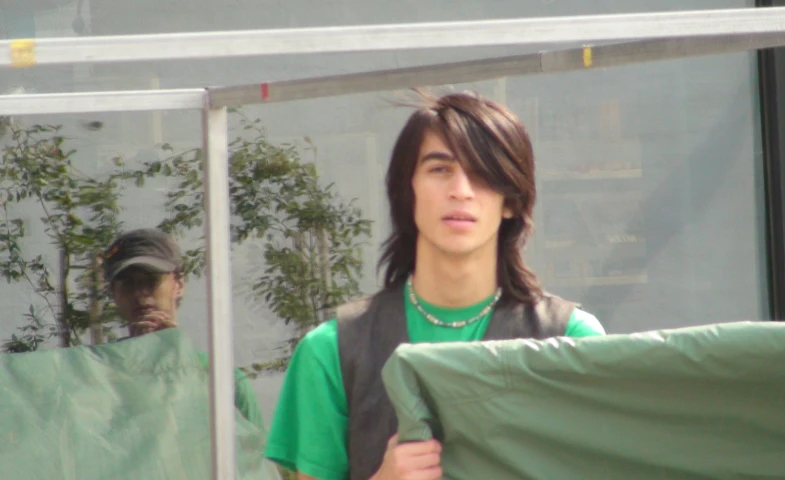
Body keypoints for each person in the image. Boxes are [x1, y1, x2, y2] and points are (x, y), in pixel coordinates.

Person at [265, 91, 606, 480]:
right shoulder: (332, 351)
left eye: (481, 173)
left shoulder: (572, 341)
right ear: (406, 191)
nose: (460, 190)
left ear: (511, 200)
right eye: (440, 169)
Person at [102, 227, 265, 430]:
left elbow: (254, 458)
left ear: (179, 284)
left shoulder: (222, 381)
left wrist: (178, 355)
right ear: (114, 294)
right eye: (128, 284)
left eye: (151, 281)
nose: (141, 294)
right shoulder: (102, 378)